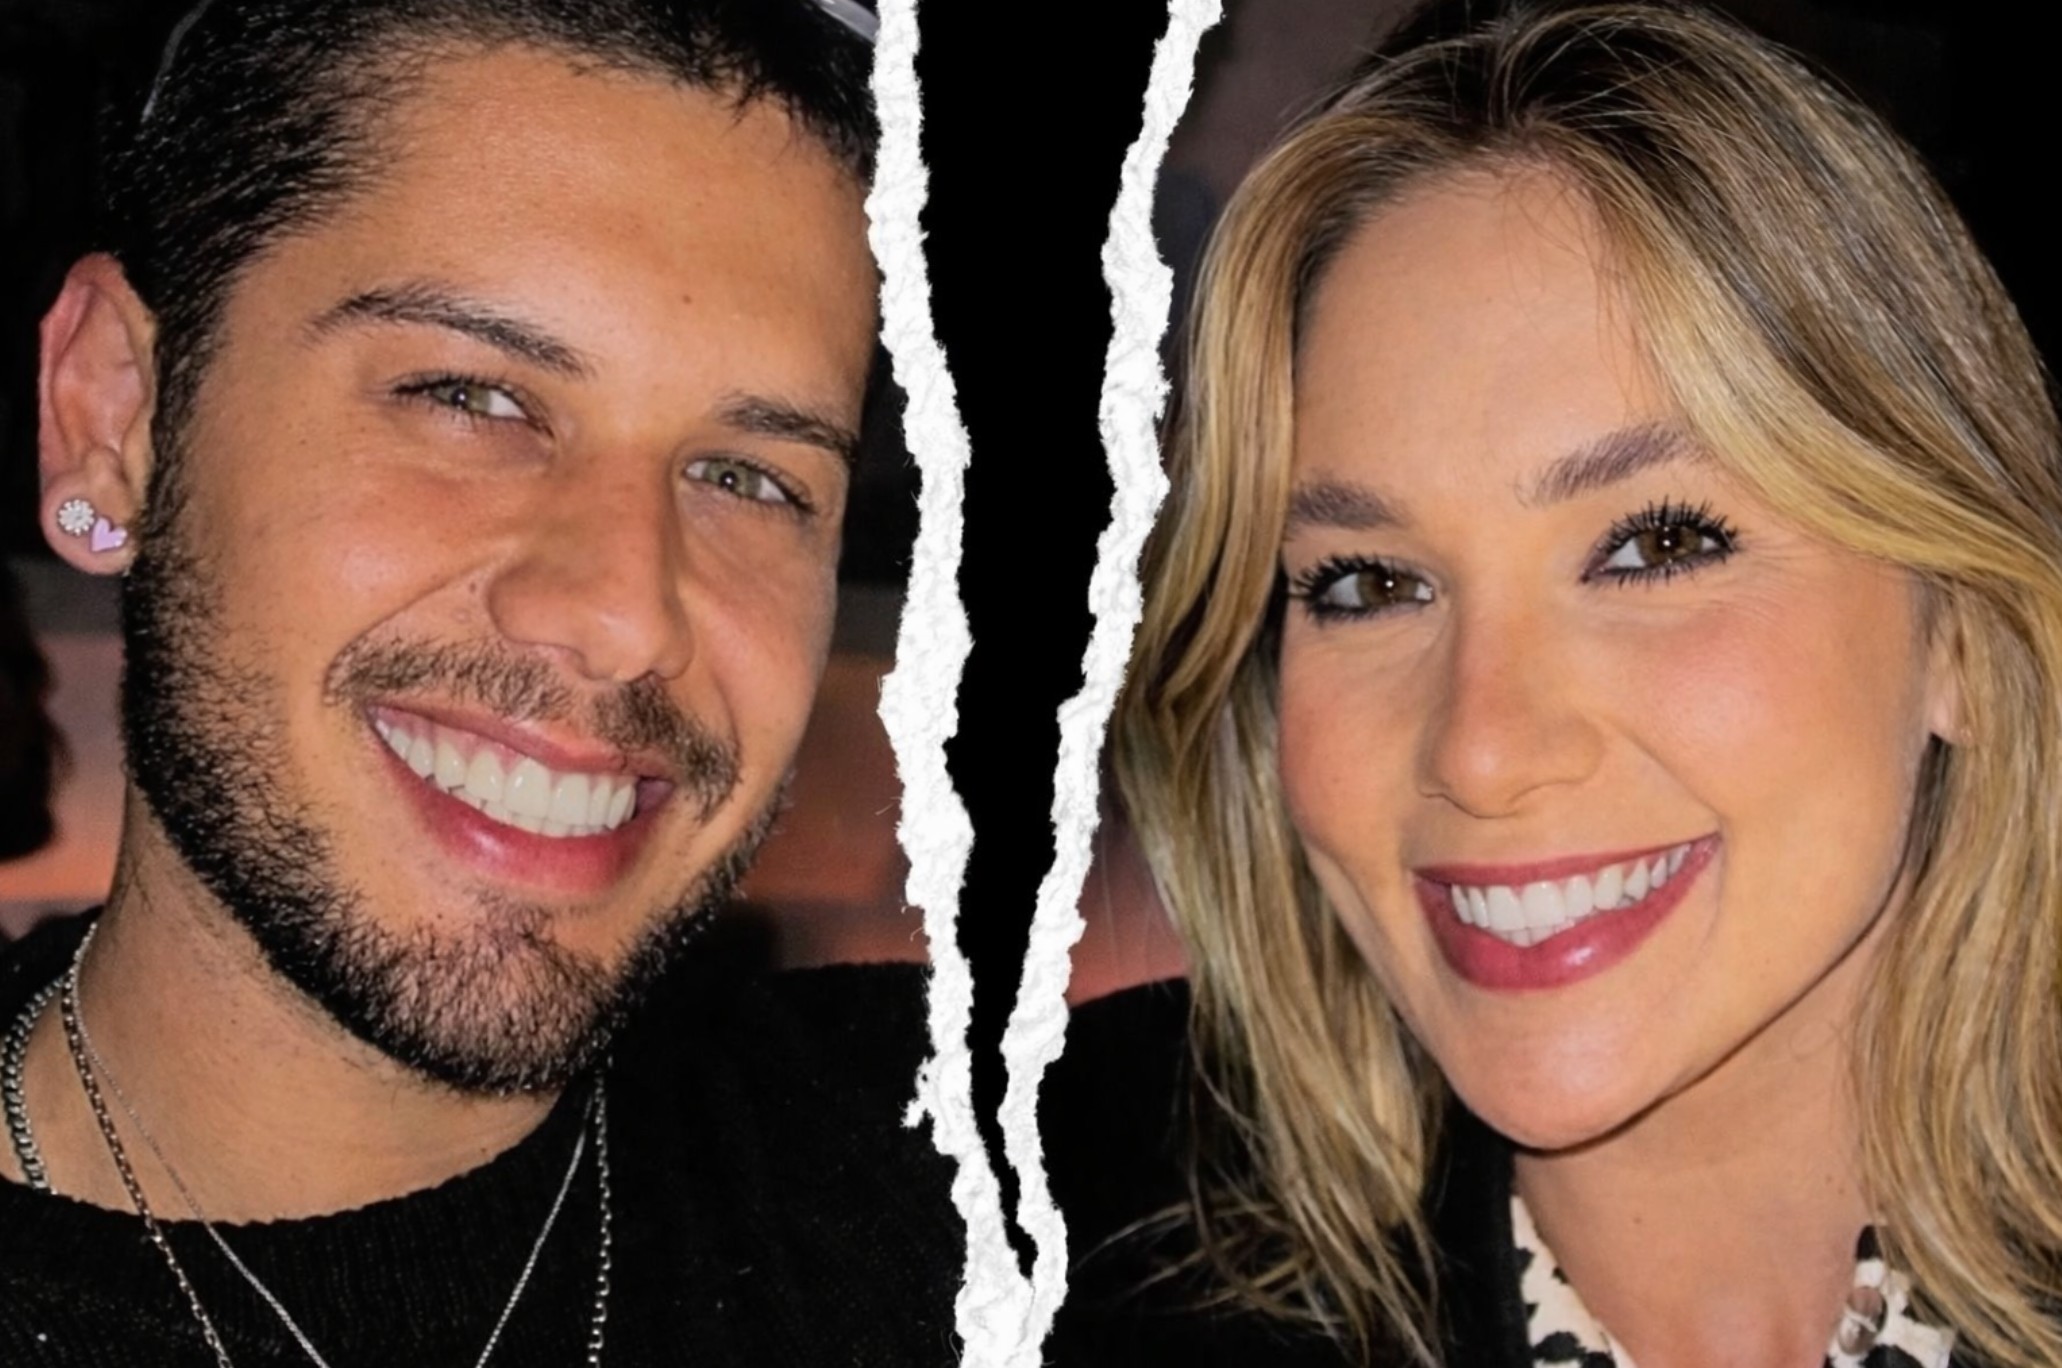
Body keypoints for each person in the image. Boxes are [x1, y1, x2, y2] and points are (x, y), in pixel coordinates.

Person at [1050, 3, 2062, 1366]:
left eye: (1654, 547)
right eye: (1369, 583)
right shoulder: (1023, 1236)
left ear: (1962, 637)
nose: (1481, 748)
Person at [0, 0, 960, 1363]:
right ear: (118, 415)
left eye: (750, 477)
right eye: (471, 398)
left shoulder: (996, 1200)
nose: (627, 617)